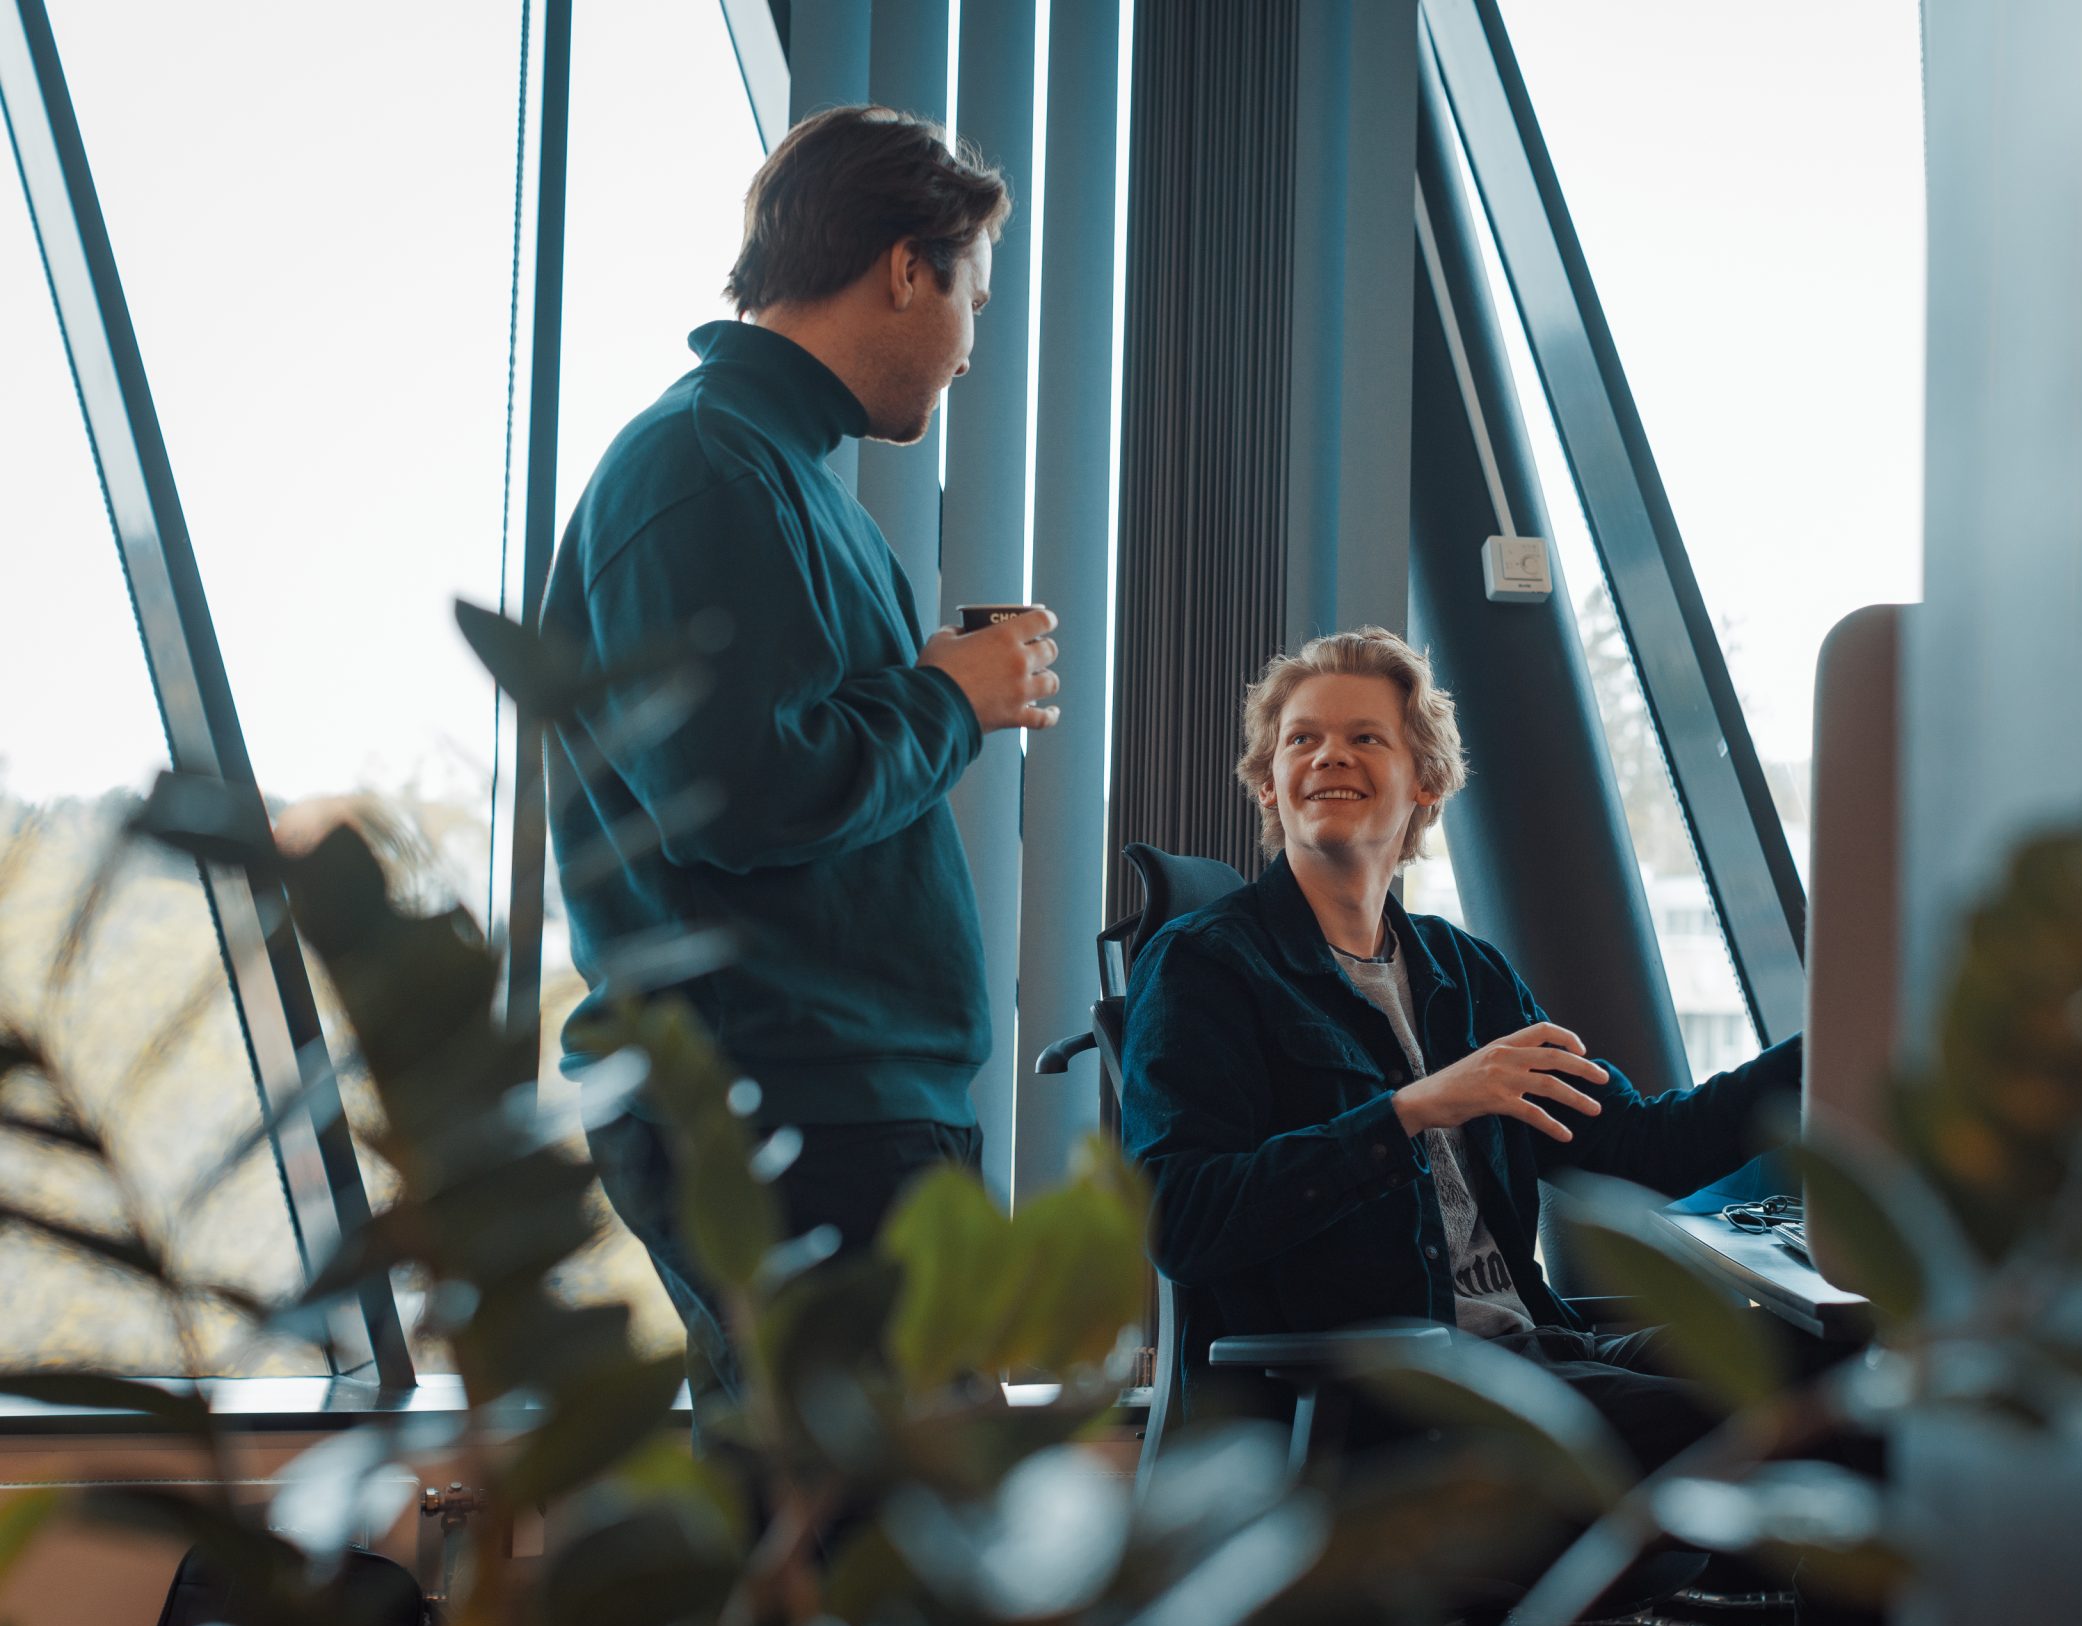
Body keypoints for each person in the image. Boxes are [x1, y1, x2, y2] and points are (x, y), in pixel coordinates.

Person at [541, 106, 1058, 1430]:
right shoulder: (710, 467)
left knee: (841, 1559)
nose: (967, 351)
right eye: (973, 302)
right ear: (905, 267)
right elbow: (747, 795)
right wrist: (947, 699)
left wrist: (935, 692)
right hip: (795, 1110)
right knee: (897, 1562)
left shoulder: (777, 472)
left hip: (842, 1099)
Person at [1118, 628, 1802, 1472]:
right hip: (1396, 1398)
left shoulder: (1465, 972)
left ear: (1427, 781)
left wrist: (1828, 1045)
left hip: (1530, 1349)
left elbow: (1641, 1147)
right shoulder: (1206, 965)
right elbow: (1179, 1219)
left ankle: (1735, 1607)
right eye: (1304, 739)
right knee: (1744, 1422)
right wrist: (1411, 1110)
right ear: (1269, 781)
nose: (1331, 756)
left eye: (1365, 737)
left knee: (1830, 1372)